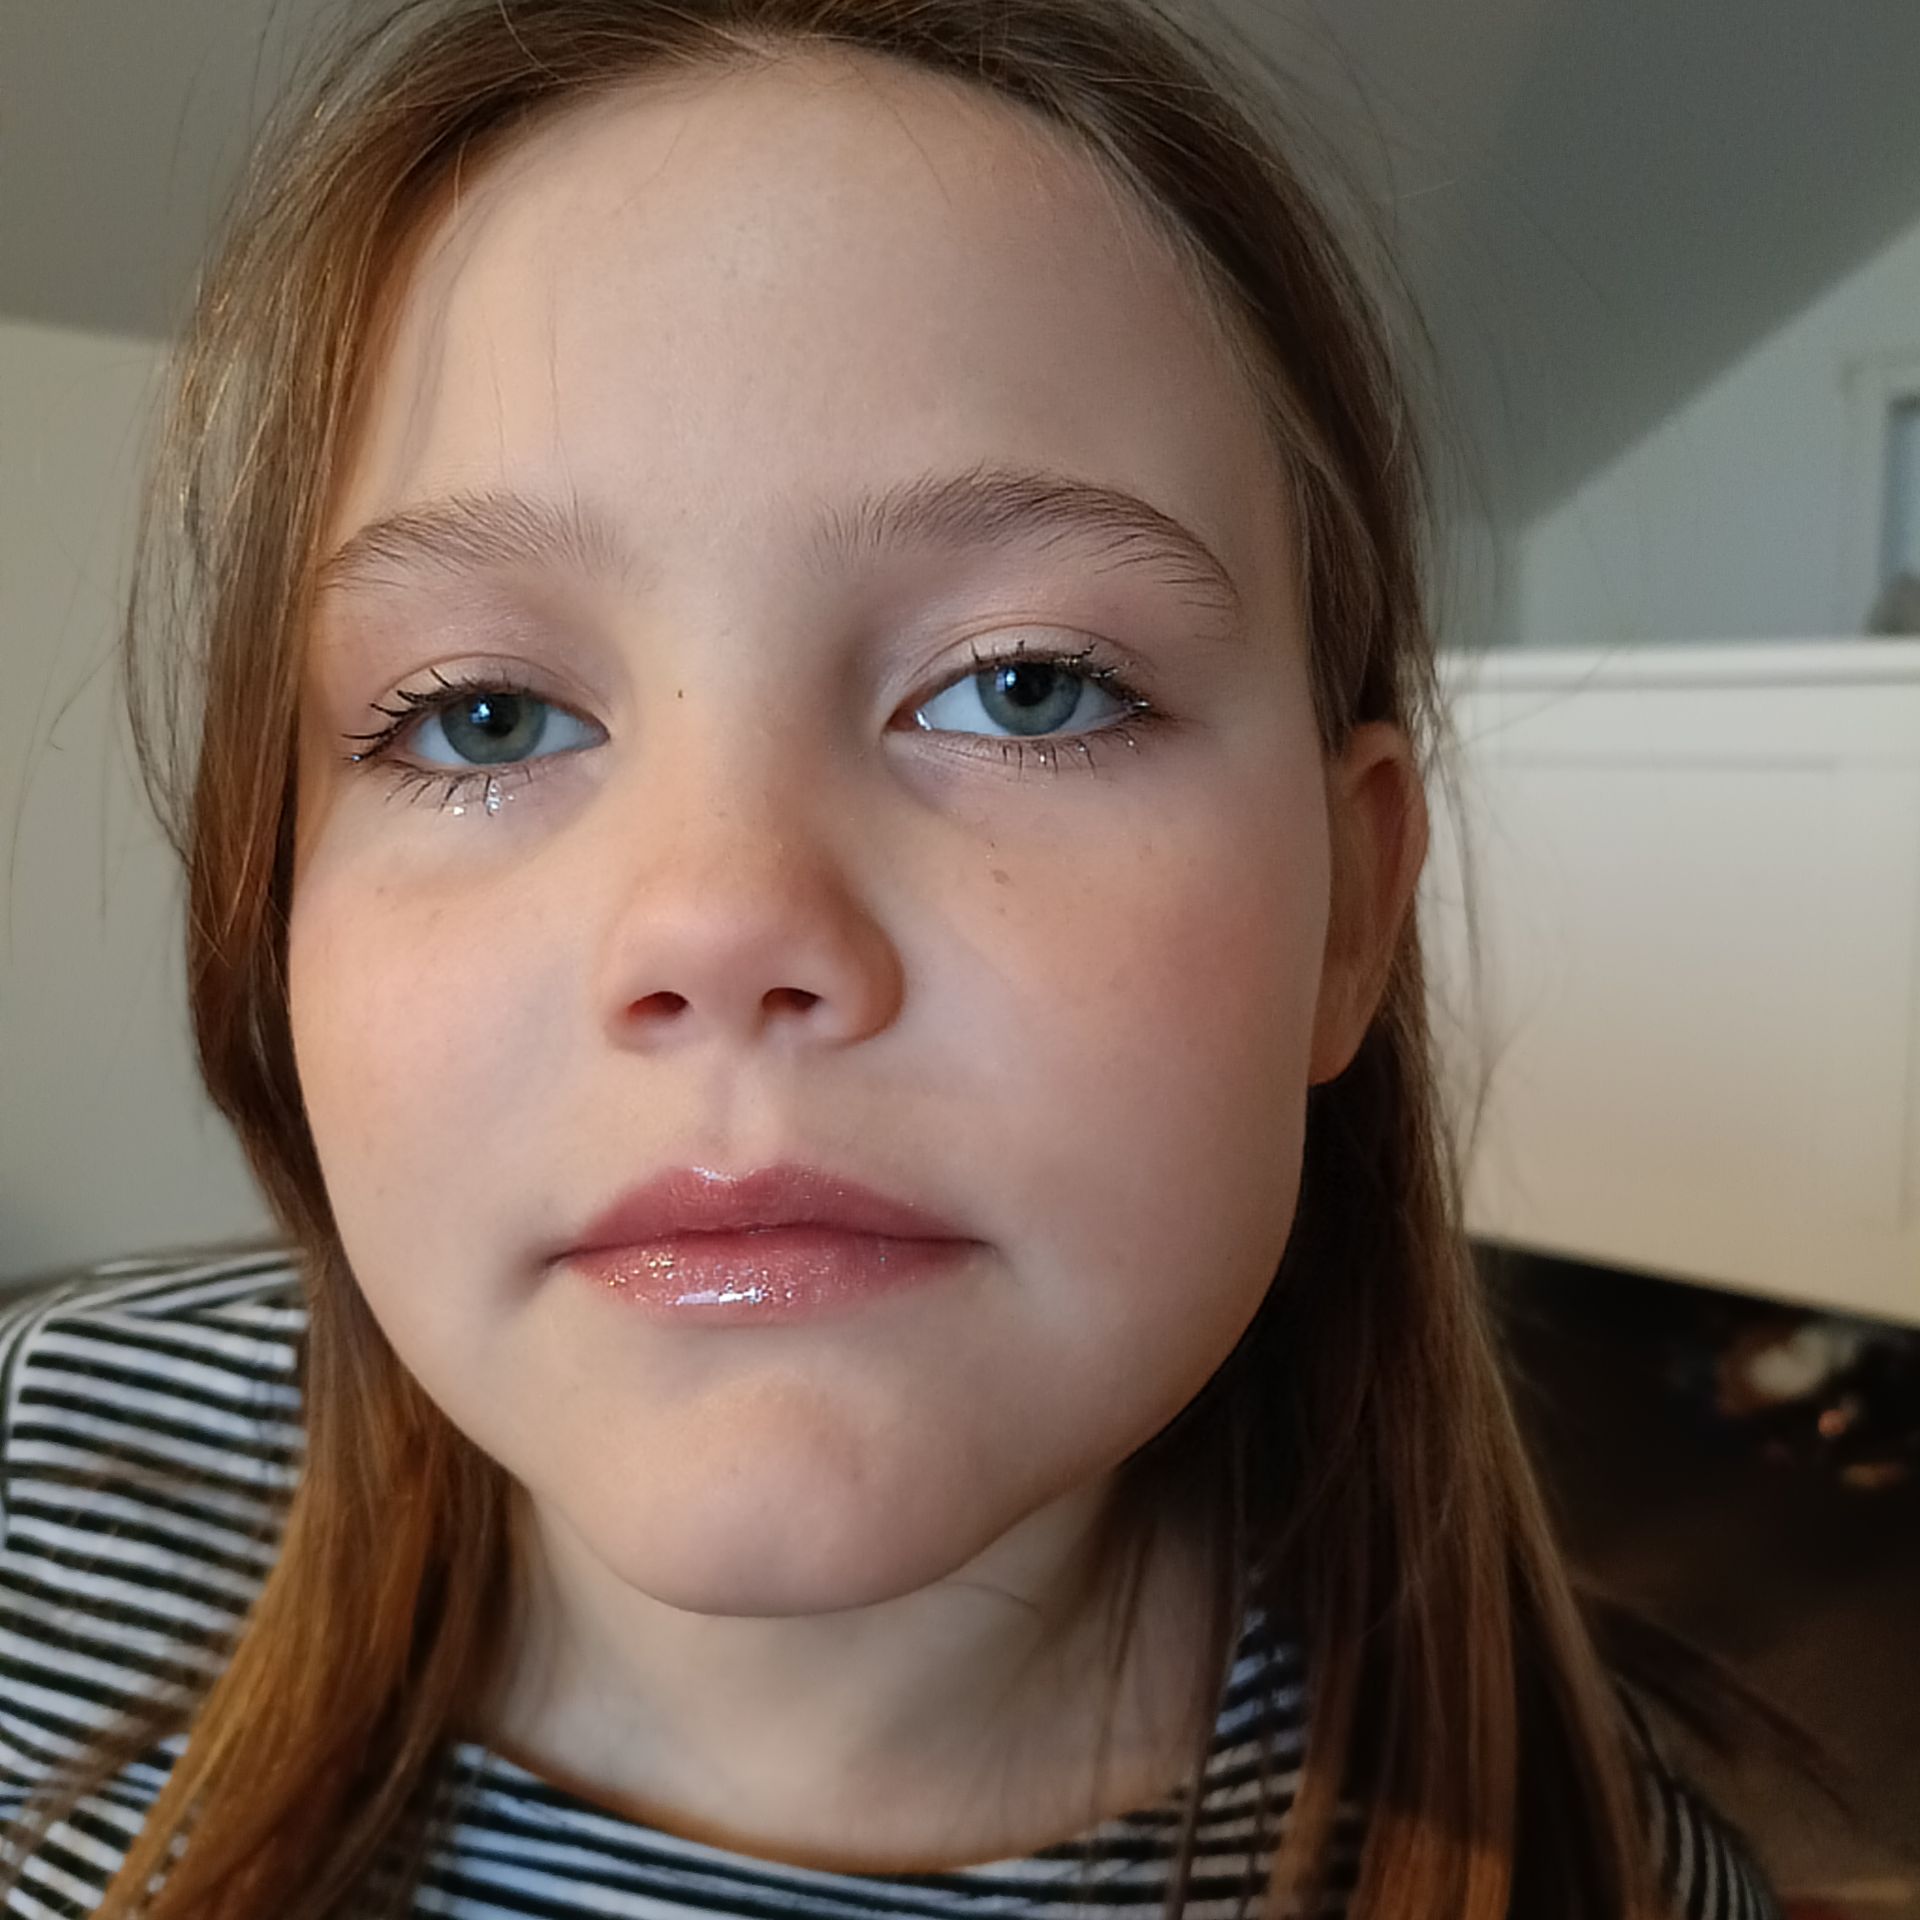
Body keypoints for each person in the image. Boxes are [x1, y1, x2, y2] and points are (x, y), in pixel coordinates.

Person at [0, 1, 1780, 1914]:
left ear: (1351, 916)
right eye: (482, 715)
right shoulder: (38, 1478)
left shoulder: (1611, 1875)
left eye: (1026, 686)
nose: (722, 922)